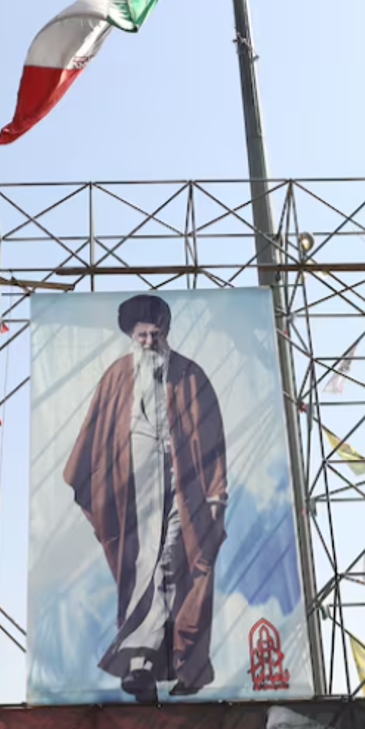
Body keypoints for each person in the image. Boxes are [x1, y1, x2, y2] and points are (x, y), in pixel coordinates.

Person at [63, 294, 228, 702]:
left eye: (156, 334)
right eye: (142, 336)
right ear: (131, 336)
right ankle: (149, 670)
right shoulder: (117, 376)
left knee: (169, 564)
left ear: (165, 332)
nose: (150, 341)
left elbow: (212, 441)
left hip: (182, 489)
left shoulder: (190, 375)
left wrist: (215, 494)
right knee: (141, 570)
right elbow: (96, 436)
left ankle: (140, 661)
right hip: (132, 492)